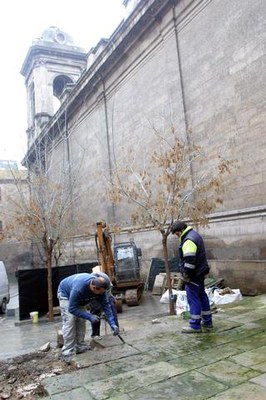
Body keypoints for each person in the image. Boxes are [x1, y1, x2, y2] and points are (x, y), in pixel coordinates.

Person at [57, 272, 119, 363]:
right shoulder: (79, 288)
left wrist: (113, 324)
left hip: (80, 299)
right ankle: (67, 352)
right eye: (99, 293)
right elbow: (72, 308)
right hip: (66, 295)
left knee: (81, 320)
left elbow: (106, 307)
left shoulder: (101, 290)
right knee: (70, 320)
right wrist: (89, 316)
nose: (100, 295)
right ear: (94, 288)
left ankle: (80, 346)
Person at [171, 221, 213, 333]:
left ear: (179, 231)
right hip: (200, 272)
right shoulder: (195, 235)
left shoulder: (188, 240)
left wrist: (186, 276)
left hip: (193, 275)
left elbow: (189, 261)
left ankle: (195, 325)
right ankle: (208, 322)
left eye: (176, 234)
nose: (177, 236)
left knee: (193, 299)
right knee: (202, 296)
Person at [88, 271, 119, 339]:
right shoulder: (89, 283)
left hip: (107, 294)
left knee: (111, 307)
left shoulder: (106, 281)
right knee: (95, 312)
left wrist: (105, 310)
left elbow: (106, 301)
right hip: (93, 296)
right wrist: (100, 309)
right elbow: (93, 302)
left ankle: (115, 329)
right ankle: (95, 335)